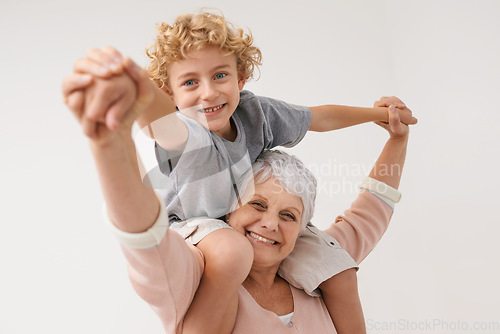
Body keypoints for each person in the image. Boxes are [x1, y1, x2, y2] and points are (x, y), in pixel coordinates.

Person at [62, 10, 416, 333]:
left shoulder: (256, 116)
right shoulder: (191, 139)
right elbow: (159, 123)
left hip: (232, 234)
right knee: (232, 252)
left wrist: (385, 119)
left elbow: (321, 121)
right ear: (169, 93)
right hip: (195, 229)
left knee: (338, 266)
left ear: (241, 77)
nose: (209, 93)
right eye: (189, 83)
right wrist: (134, 86)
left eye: (220, 76)